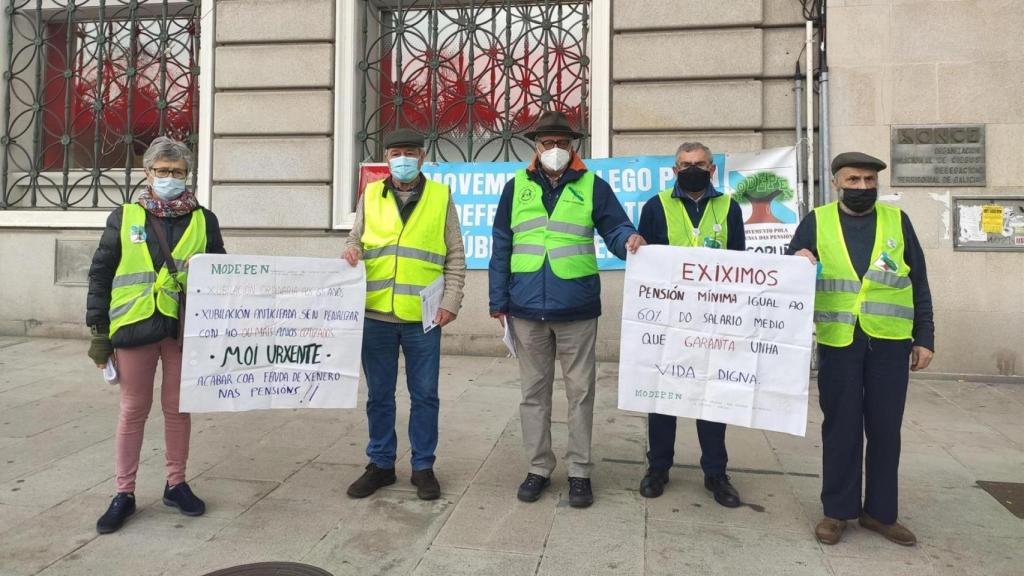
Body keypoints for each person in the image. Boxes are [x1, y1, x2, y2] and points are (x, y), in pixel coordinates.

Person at [488, 111, 645, 508]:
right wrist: (497, 300)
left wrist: (628, 239)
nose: (553, 150)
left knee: (581, 392)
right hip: (525, 308)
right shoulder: (515, 187)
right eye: (547, 144)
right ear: (535, 147)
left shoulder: (593, 185)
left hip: (575, 306)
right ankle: (538, 467)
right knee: (533, 394)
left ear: (572, 146)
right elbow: (501, 245)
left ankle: (579, 472)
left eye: (561, 143)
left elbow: (614, 227)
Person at [788, 152, 934, 547]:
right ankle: (837, 512)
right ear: (836, 182)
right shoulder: (815, 222)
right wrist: (798, 258)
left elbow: (918, 280)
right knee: (842, 426)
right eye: (854, 180)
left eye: (870, 181)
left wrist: (925, 337)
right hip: (839, 343)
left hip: (890, 341)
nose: (863, 188)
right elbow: (787, 277)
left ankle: (881, 514)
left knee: (886, 429)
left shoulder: (897, 221)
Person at [86, 136, 225, 534]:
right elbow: (101, 273)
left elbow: (221, 275)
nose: (169, 178)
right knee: (133, 409)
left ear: (187, 176)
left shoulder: (203, 218)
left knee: (179, 408)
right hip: (134, 325)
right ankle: (124, 493)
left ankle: (175, 483)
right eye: (161, 171)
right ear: (147, 173)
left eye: (176, 172)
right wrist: (98, 332)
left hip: (183, 328)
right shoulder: (125, 216)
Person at [342, 128, 466, 501]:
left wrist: (451, 302)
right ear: (387, 157)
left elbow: (455, 255)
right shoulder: (371, 194)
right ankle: (380, 464)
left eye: (410, 152)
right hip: (376, 312)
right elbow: (355, 238)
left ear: (422, 158)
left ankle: (423, 467)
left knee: (425, 395)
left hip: (423, 317)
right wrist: (350, 250)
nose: (403, 159)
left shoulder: (440, 197)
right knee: (379, 395)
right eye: (396, 152)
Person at [635, 142, 746, 508]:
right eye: (685, 164)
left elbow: (741, 264)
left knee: (712, 398)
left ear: (712, 169)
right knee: (662, 395)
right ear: (674, 170)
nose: (692, 169)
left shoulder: (729, 207)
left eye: (699, 164)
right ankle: (658, 468)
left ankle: (716, 472)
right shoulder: (655, 206)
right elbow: (644, 262)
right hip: (668, 321)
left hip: (714, 321)